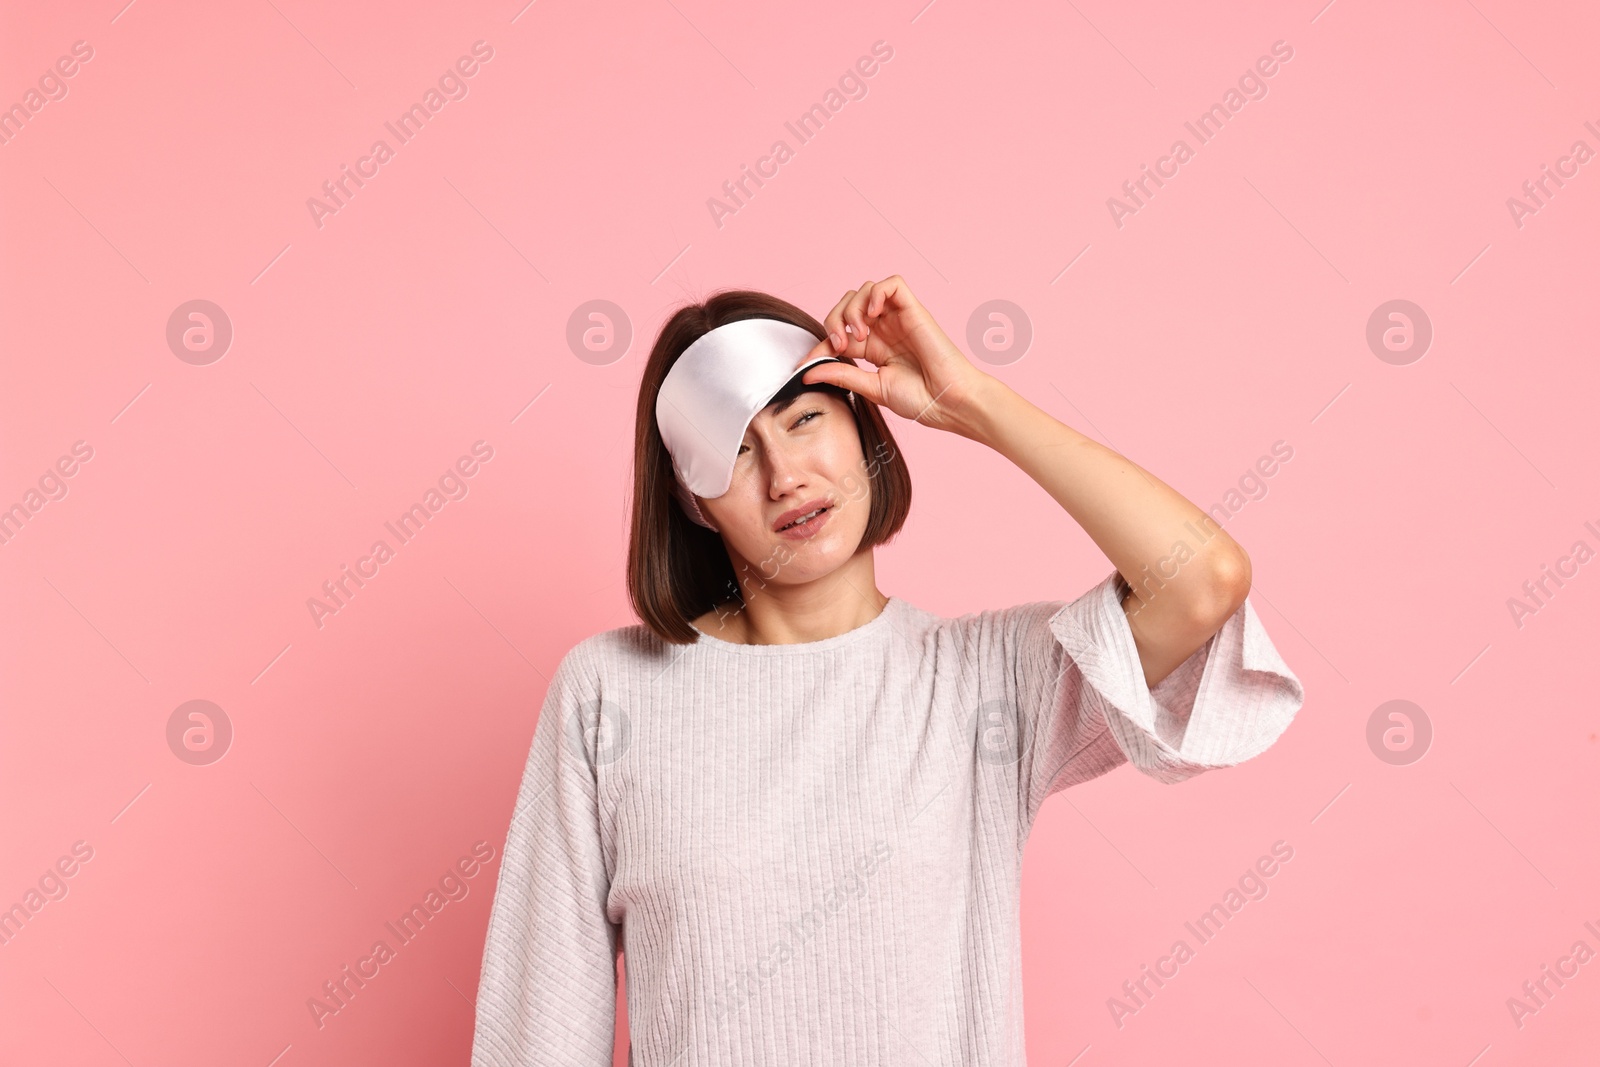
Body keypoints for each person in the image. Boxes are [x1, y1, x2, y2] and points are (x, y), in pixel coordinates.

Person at [469, 276, 1305, 1065]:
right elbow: (536, 1028)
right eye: (735, 450)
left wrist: (971, 401)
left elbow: (1204, 581)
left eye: (804, 418)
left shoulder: (983, 684)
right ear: (694, 500)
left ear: (863, 419)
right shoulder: (609, 693)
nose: (785, 476)